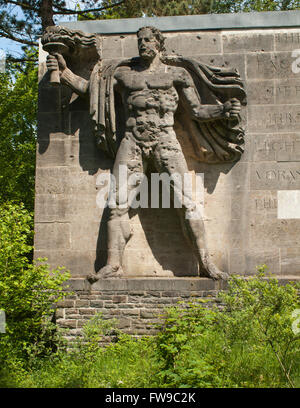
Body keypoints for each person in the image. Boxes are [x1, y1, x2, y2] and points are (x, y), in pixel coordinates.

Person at [46, 26, 245, 280]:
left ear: (158, 43)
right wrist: (64, 74)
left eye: (148, 40)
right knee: (116, 204)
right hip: (133, 140)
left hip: (166, 140)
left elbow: (197, 111)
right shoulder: (123, 75)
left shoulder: (177, 74)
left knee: (186, 203)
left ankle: (206, 264)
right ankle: (113, 265)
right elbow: (92, 93)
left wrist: (223, 111)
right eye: (140, 41)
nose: (143, 44)